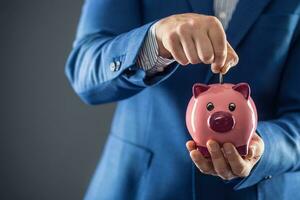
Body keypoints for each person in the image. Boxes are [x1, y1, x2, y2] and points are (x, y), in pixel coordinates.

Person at [65, 0, 300, 199]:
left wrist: (263, 148)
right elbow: (83, 68)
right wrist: (152, 43)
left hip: (258, 190)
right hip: (141, 186)